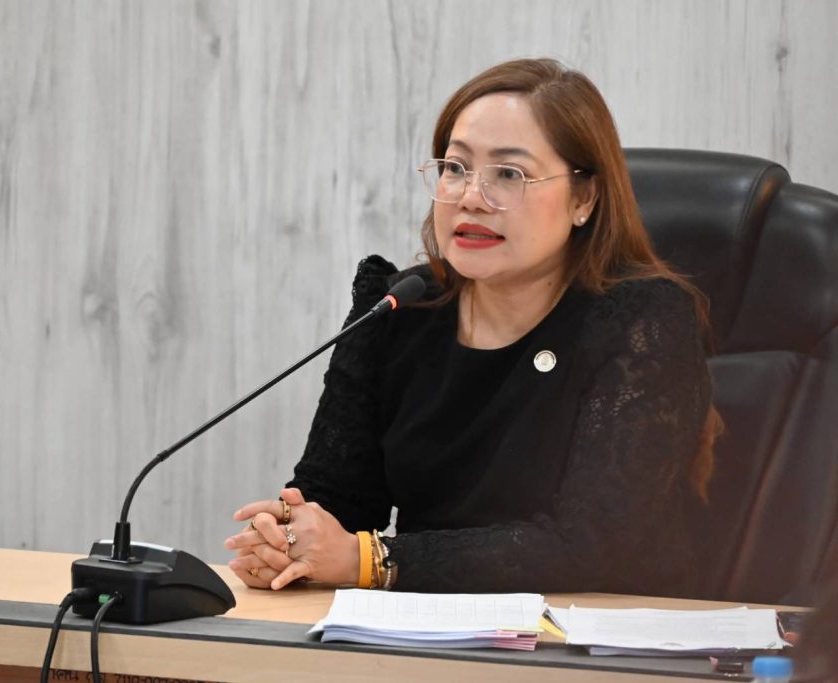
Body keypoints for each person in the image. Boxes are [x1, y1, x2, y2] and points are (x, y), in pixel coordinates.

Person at [224, 57, 722, 597]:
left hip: (604, 633)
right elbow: (337, 500)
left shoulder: (638, 320)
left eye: (508, 174)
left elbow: (594, 544)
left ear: (584, 198)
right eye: (456, 168)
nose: (469, 197)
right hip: (423, 631)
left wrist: (374, 559)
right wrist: (288, 542)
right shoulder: (401, 309)